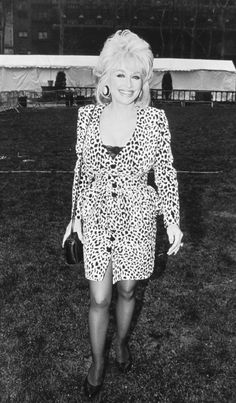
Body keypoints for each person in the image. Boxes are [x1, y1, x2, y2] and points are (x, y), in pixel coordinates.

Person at [62, 29, 183, 399]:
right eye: (120, 75)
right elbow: (82, 171)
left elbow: (164, 171)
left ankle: (122, 343)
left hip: (138, 219)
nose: (128, 84)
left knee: (128, 290)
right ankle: (97, 362)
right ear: (106, 78)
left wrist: (173, 220)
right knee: (99, 297)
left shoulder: (155, 122)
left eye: (136, 76)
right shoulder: (86, 118)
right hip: (96, 215)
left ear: (143, 80)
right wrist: (74, 217)